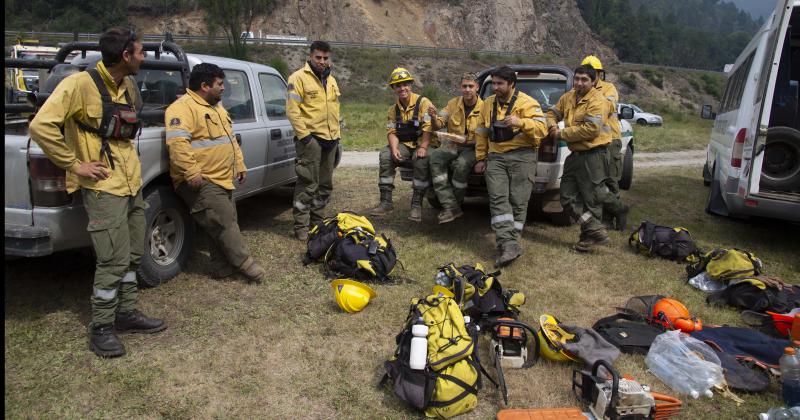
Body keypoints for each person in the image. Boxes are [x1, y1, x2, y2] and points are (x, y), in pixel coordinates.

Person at [29, 27, 165, 358]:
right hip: (104, 187)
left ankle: (127, 312)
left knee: (133, 252)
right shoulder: (79, 85)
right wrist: (75, 165)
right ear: (125, 56)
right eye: (140, 52)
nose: (143, 56)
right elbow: (40, 126)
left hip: (132, 181)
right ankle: (102, 327)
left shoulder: (129, 85)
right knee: (113, 259)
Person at [164, 63, 267, 284]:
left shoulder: (217, 107)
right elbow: (178, 144)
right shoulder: (182, 108)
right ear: (204, 85)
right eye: (220, 84)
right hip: (203, 179)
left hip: (223, 177)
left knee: (220, 223)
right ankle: (246, 265)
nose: (223, 88)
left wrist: (239, 165)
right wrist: (191, 172)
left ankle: (222, 268)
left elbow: (230, 140)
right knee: (224, 224)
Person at [474, 66, 547, 267]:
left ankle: (510, 242)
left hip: (523, 156)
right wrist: (481, 158)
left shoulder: (528, 103)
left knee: (518, 201)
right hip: (496, 156)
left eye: (499, 84)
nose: (495, 87)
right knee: (498, 198)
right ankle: (508, 244)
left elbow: (542, 130)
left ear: (512, 84)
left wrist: (520, 122)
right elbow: (481, 132)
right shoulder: (487, 104)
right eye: (493, 83)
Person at [547, 65, 625, 252]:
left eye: (584, 80)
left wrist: (561, 133)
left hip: (594, 155)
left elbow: (591, 130)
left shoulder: (598, 100)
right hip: (575, 155)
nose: (579, 83)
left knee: (592, 198)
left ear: (593, 81)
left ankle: (587, 238)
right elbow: (552, 113)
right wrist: (551, 126)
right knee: (566, 197)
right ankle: (594, 229)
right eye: (577, 79)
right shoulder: (568, 97)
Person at [286, 40, 342, 241]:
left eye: (326, 58)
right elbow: (293, 111)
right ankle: (300, 226)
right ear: (310, 56)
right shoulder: (298, 78)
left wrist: (337, 135)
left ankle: (316, 223)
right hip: (311, 140)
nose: (322, 61)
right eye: (318, 57)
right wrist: (306, 138)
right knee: (308, 183)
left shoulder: (332, 80)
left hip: (331, 139)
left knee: (325, 185)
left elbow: (334, 109)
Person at [369, 67, 436, 222]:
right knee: (385, 155)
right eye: (398, 85)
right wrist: (393, 149)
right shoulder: (393, 110)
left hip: (423, 142)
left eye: (405, 84)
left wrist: (424, 148)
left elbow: (428, 128)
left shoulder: (423, 103)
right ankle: (386, 202)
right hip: (405, 144)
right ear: (393, 88)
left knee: (421, 160)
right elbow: (391, 132)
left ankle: (416, 205)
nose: (402, 88)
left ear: (411, 85)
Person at [426, 73, 484, 224]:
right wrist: (433, 117)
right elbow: (439, 123)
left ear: (477, 87)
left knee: (461, 165)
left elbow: (486, 138)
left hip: (474, 147)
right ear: (460, 87)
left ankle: (455, 204)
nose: (467, 90)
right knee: (435, 158)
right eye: (464, 86)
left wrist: (482, 157)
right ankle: (450, 205)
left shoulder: (485, 107)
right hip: (453, 144)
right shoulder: (452, 104)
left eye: (470, 86)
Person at [581, 55, 629, 231]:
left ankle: (613, 217)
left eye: (594, 73)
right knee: (595, 181)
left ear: (599, 74)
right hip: (591, 141)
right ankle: (607, 214)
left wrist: (588, 100)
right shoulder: (579, 90)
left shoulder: (609, 89)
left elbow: (607, 106)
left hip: (610, 141)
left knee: (611, 180)